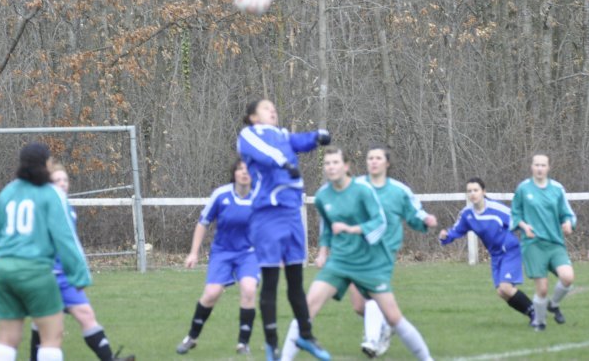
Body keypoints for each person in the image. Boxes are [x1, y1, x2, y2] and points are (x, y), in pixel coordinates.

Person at [280, 146, 434, 361]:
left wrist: (352, 229)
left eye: (335, 162)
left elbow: (380, 222)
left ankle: (426, 358)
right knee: (306, 308)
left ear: (346, 166)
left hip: (369, 262)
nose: (331, 167)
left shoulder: (363, 190)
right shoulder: (323, 195)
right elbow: (327, 228)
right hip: (339, 261)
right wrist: (323, 252)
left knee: (393, 317)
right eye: (327, 163)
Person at [236, 99, 332, 361]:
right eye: (266, 108)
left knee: (296, 282)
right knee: (270, 281)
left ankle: (306, 335)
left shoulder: (282, 135)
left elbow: (299, 140)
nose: (273, 110)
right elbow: (264, 153)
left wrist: (318, 137)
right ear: (253, 117)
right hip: (268, 214)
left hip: (291, 213)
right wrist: (284, 163)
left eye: (274, 107)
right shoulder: (249, 135)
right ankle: (272, 345)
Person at [0, 142, 91, 361]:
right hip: (34, 270)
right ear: (46, 164)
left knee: (6, 338)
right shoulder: (51, 194)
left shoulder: (8, 191)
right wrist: (79, 276)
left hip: (1, 269)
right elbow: (66, 239)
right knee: (51, 337)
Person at [29, 163, 134, 361]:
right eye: (57, 180)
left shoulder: (67, 207)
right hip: (47, 275)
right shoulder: (44, 207)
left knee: (86, 314)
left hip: (66, 276)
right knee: (45, 324)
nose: (62, 183)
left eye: (65, 180)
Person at [349, 145, 437, 358]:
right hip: (358, 250)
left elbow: (414, 213)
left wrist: (425, 220)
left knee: (371, 295)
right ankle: (386, 325)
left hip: (384, 251)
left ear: (387, 163)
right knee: (359, 305)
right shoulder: (356, 187)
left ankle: (372, 340)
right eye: (370, 158)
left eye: (378, 158)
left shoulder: (399, 191)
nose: (373, 161)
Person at [176, 158, 259, 356]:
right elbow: (203, 222)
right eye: (240, 169)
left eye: (248, 169)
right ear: (234, 173)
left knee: (249, 290)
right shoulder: (221, 195)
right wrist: (194, 252)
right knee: (212, 293)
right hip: (222, 252)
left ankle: (243, 344)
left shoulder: (259, 196)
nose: (244, 172)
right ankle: (191, 338)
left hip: (249, 253)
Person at [439, 178, 535, 325]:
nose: (472, 194)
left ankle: (536, 314)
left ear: (483, 192)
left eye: (476, 190)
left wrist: (527, 229)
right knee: (502, 292)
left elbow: (516, 219)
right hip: (495, 255)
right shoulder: (467, 214)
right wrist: (445, 236)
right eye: (469, 191)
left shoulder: (496, 209)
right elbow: (456, 230)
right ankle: (532, 313)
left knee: (506, 287)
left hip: (509, 250)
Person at [510, 153, 576, 331]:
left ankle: (553, 305)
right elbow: (515, 214)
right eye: (536, 165)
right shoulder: (523, 189)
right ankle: (540, 323)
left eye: (543, 165)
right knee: (543, 289)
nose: (539, 168)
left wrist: (568, 223)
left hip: (555, 243)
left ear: (548, 168)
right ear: (531, 167)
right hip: (533, 244)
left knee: (568, 277)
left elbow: (567, 213)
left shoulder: (557, 189)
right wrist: (524, 226)